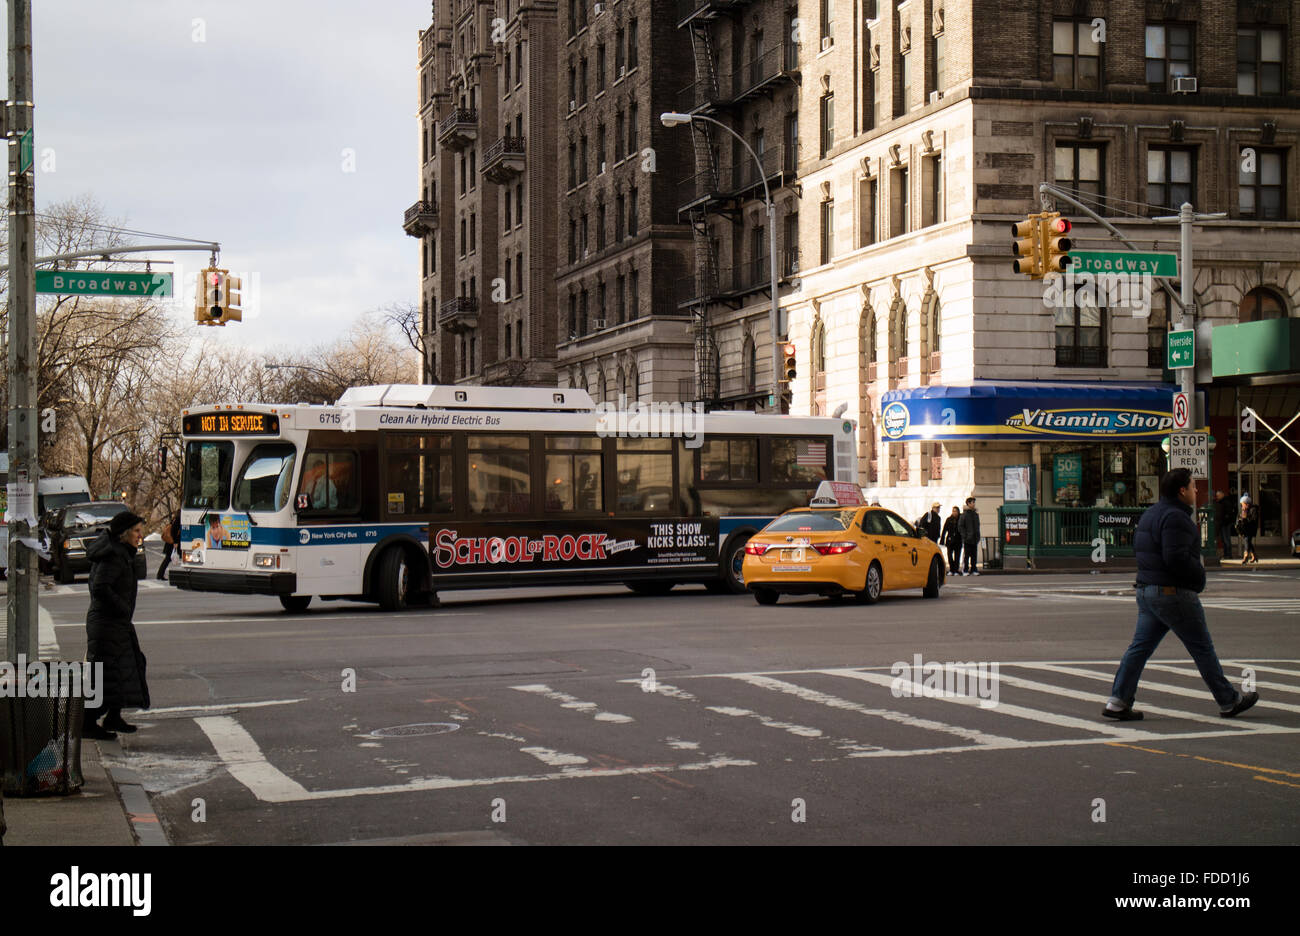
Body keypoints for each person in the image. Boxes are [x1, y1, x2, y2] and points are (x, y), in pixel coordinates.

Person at [1104, 469, 1259, 721]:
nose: (1196, 491)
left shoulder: (1151, 514)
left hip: (1147, 590)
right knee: (1202, 648)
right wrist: (1198, 577)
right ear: (1182, 491)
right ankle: (1228, 700)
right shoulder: (1175, 517)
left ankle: (1118, 701)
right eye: (1193, 486)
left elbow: (1143, 551)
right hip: (1172, 592)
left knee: (1139, 649)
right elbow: (1175, 557)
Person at [82, 511, 151, 740]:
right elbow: (100, 587)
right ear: (124, 534)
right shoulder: (114, 555)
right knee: (105, 674)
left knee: (128, 666)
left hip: (114, 623)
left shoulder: (120, 552)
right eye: (137, 531)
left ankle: (113, 716)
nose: (140, 535)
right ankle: (87, 723)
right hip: (107, 623)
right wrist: (121, 607)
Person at [958, 497, 981, 576]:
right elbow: (960, 526)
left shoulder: (975, 515)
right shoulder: (964, 515)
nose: (974, 504)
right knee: (967, 555)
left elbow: (978, 526)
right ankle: (965, 569)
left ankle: (974, 569)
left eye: (974, 502)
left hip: (975, 538)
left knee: (974, 555)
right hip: (968, 538)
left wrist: (978, 536)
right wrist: (965, 536)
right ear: (968, 503)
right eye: (972, 502)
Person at [156, 509, 181, 580]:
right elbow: (174, 531)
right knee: (167, 559)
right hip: (173, 543)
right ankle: (160, 575)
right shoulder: (178, 519)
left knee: (167, 559)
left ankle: (160, 574)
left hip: (171, 543)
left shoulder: (175, 519)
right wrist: (175, 542)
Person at [1236, 495, 1259, 564]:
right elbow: (1239, 518)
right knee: (1248, 542)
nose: (1242, 505)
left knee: (1246, 541)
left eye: (1242, 503)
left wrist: (1245, 518)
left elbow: (1253, 520)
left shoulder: (1253, 509)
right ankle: (1254, 555)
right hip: (1244, 529)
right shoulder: (1243, 510)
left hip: (1250, 529)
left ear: (1246, 503)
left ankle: (1245, 556)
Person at [940, 506, 962, 575]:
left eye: (955, 511)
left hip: (958, 540)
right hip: (950, 540)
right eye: (953, 511)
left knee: (957, 555)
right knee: (949, 555)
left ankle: (956, 570)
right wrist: (942, 539)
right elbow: (944, 529)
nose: (954, 512)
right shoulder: (949, 519)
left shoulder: (961, 519)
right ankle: (951, 569)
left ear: (958, 512)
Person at [1213, 490, 1234, 560]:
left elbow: (1228, 514)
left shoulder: (1225, 502)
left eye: (1218, 495)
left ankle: (1228, 554)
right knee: (1224, 539)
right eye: (1217, 496)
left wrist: (1224, 520)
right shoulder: (1221, 502)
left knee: (1226, 539)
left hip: (1225, 524)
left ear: (1222, 495)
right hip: (1223, 523)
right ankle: (1226, 554)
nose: (1217, 497)